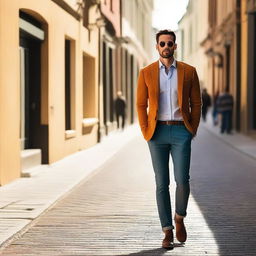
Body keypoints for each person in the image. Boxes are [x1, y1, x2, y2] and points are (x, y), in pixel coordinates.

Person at [136, 29, 201, 250]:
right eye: (162, 43)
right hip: (157, 133)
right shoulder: (146, 72)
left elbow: (197, 103)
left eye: (170, 43)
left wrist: (191, 128)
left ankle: (179, 216)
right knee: (161, 183)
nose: (166, 47)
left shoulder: (189, 72)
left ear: (175, 46)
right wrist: (146, 130)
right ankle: (167, 230)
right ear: (157, 47)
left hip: (181, 131)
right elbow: (140, 104)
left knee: (182, 180)